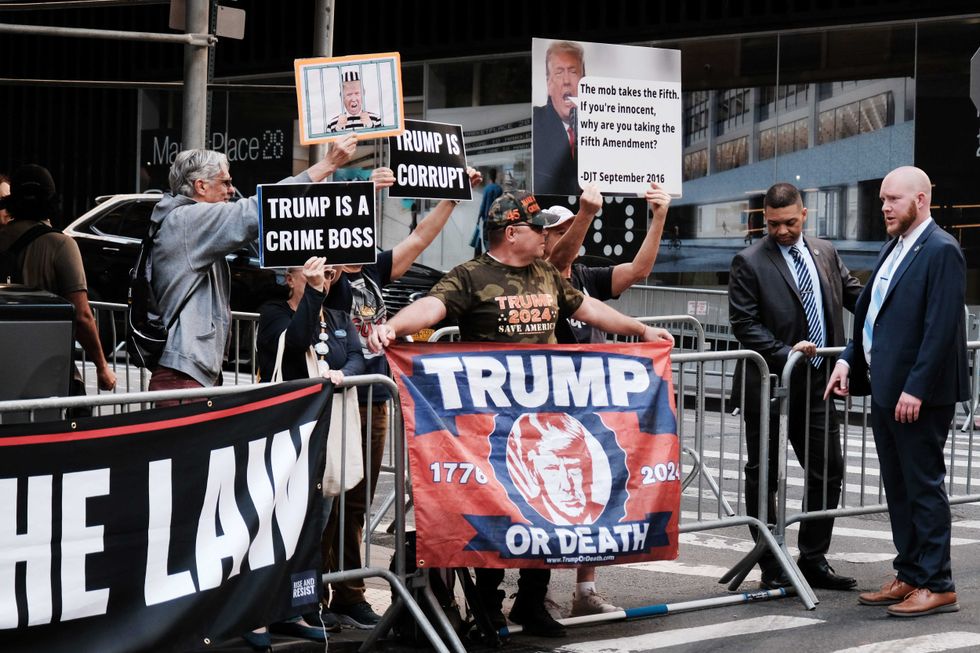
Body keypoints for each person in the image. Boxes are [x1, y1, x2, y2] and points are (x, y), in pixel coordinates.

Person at [368, 189, 674, 638]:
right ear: (512, 233)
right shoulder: (471, 275)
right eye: (537, 230)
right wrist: (393, 326)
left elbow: (587, 307)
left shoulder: (546, 274)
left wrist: (642, 329)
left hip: (550, 421)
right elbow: (433, 306)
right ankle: (487, 609)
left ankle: (532, 602)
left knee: (546, 515)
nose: (547, 238)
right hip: (491, 425)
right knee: (498, 508)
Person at [319, 165, 482, 629]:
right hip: (337, 398)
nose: (362, 232)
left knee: (356, 499)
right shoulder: (325, 276)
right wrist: (361, 190)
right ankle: (315, 587)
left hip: (372, 397)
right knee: (327, 498)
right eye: (354, 224)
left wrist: (452, 198)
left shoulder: (370, 267)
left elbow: (418, 242)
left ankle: (346, 593)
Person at [825, 166, 968, 617]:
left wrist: (916, 388)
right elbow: (873, 315)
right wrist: (849, 358)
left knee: (923, 487)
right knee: (900, 487)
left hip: (917, 396)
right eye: (883, 199)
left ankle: (937, 583)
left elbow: (941, 328)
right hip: (889, 390)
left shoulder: (942, 250)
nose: (884, 206)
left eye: (894, 199)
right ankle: (910, 573)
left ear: (921, 200)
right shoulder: (896, 246)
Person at [538, 181, 669, 617]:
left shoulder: (587, 277)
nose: (566, 236)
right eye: (558, 230)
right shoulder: (537, 277)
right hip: (543, 402)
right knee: (543, 494)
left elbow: (638, 270)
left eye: (567, 229)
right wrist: (587, 214)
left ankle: (585, 589)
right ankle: (534, 591)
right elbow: (557, 262)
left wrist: (659, 217)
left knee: (593, 488)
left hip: (587, 400)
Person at [148, 134, 356, 398]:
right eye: (225, 182)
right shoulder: (189, 219)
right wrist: (326, 165)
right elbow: (257, 209)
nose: (231, 190)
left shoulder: (187, 221)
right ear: (200, 186)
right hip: (184, 374)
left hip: (190, 371)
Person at [728, 182, 862, 592]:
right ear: (764, 218)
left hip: (819, 383)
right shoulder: (749, 261)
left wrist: (891, 306)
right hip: (770, 381)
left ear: (804, 214)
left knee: (828, 470)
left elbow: (853, 294)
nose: (782, 231)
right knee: (763, 473)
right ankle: (770, 561)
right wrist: (787, 353)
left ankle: (813, 558)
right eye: (773, 224)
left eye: (789, 222)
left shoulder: (825, 251)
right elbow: (743, 323)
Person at [248, 256, 364, 648]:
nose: (324, 279)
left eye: (329, 274)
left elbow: (357, 354)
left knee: (313, 525)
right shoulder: (274, 312)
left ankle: (294, 608)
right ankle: (257, 611)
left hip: (321, 442)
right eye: (314, 272)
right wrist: (312, 293)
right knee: (274, 524)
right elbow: (295, 344)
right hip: (282, 438)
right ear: (290, 276)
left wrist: (343, 372)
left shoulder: (334, 315)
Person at [0, 164, 116, 394]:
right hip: (48, 369)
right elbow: (82, 316)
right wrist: (102, 367)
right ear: (52, 200)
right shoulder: (61, 245)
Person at [506, 412, 609, 526]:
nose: (567, 486)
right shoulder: (527, 518)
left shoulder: (608, 515)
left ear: (587, 468)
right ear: (533, 473)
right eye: (552, 470)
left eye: (573, 467)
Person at [533, 40, 583, 196]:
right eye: (559, 72)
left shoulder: (602, 128)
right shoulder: (535, 124)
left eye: (573, 71)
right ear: (549, 84)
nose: (567, 81)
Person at [470, 168, 502, 256]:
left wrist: (478, 218)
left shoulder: (487, 189)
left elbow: (483, 205)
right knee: (495, 239)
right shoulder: (499, 189)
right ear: (496, 176)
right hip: (497, 220)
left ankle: (489, 255)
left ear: (489, 177)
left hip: (487, 220)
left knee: (486, 239)